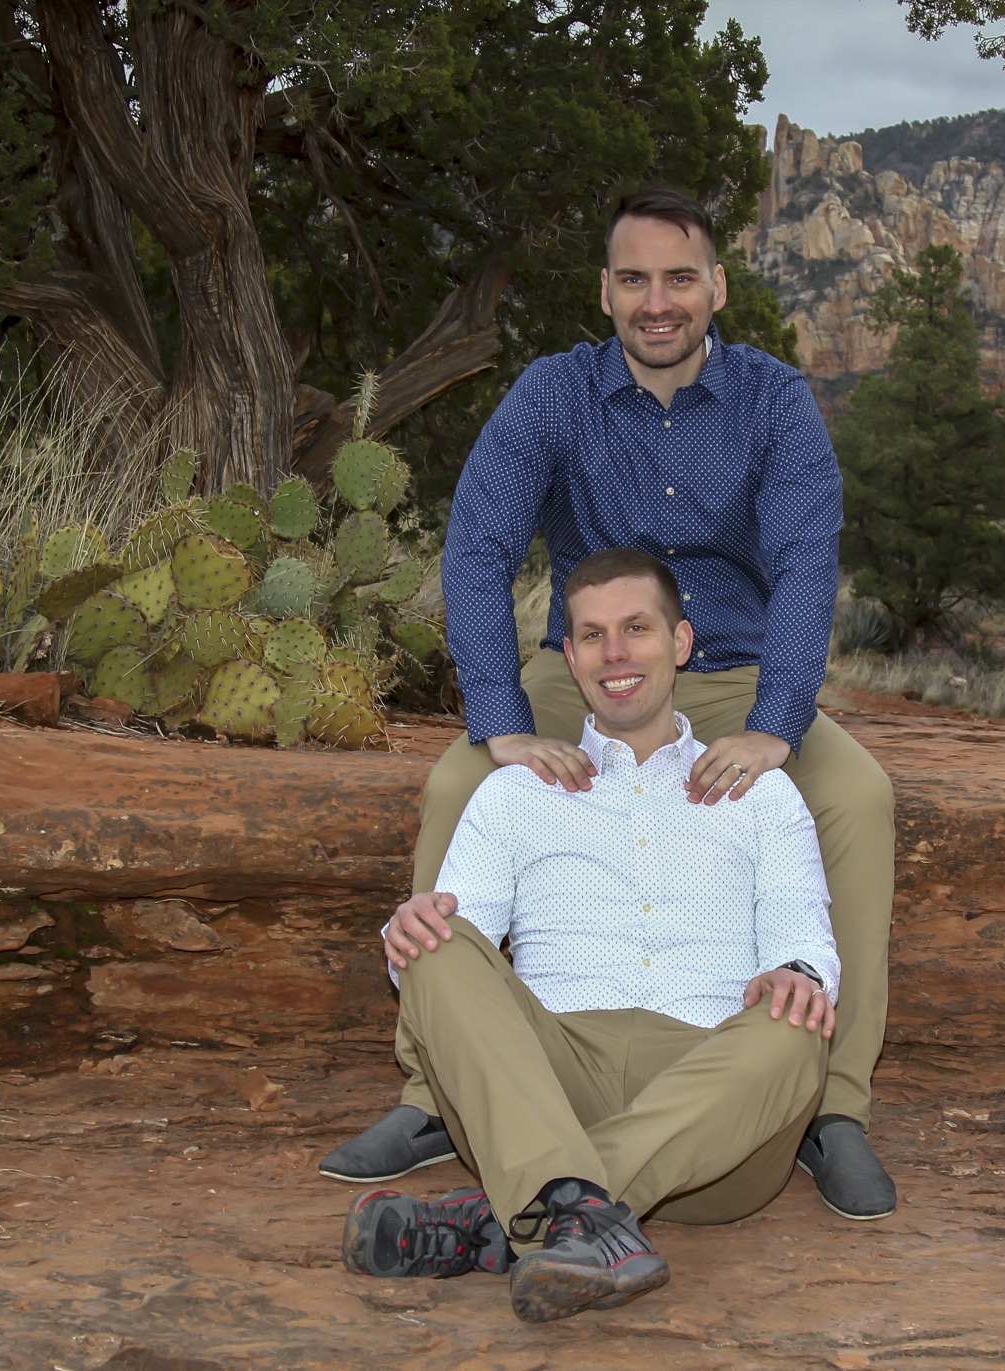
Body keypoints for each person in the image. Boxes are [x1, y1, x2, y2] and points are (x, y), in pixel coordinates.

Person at [320, 185, 897, 1220]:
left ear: (715, 286)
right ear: (605, 292)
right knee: (461, 776)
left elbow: (809, 561)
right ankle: (431, 1092)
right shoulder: (551, 395)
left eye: (679, 277)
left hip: (737, 669)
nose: (657, 301)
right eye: (633, 279)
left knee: (855, 797)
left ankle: (832, 1109)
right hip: (595, 661)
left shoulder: (773, 401)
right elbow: (480, 544)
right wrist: (499, 716)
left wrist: (778, 721)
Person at [341, 551, 838, 1323]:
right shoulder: (513, 793)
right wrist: (408, 930)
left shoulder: (760, 794)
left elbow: (803, 932)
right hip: (548, 1091)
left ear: (680, 642)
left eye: (636, 628)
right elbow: (435, 978)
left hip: (715, 1123)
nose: (615, 653)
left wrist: (798, 971)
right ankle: (571, 1213)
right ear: (568, 657)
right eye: (593, 634)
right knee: (433, 933)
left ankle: (511, 1216)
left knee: (796, 1021)